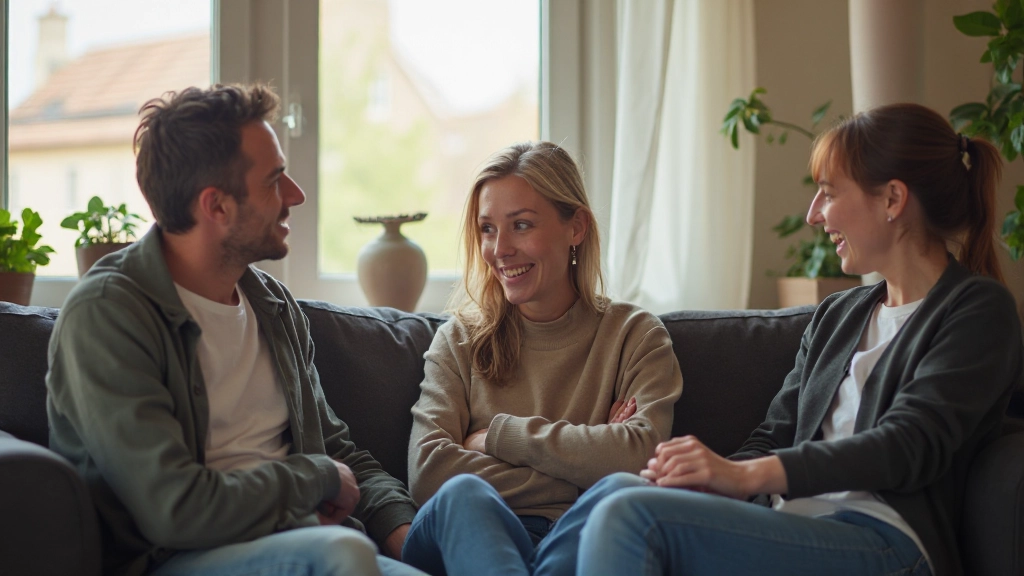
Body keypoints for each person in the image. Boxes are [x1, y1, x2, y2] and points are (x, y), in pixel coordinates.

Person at [570, 102, 1024, 576]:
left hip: (885, 542)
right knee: (618, 490)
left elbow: (907, 444)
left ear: (892, 199)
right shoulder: (838, 315)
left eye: (828, 193)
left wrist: (742, 475)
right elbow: (774, 433)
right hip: (792, 524)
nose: (813, 214)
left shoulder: (976, 311)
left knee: (630, 516)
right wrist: (710, 484)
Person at [45, 84, 425, 576]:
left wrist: (404, 533)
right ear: (217, 206)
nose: (296, 196)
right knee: (344, 557)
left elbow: (335, 450)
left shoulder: (271, 304)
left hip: (308, 543)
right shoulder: (107, 316)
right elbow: (174, 510)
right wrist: (313, 478)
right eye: (274, 181)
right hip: (178, 558)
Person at [400, 141, 684, 576]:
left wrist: (498, 436)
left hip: (576, 532)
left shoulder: (634, 336)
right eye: (488, 229)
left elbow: (641, 458)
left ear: (577, 228)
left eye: (522, 225)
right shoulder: (457, 340)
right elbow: (430, 472)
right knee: (463, 495)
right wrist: (587, 462)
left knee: (617, 494)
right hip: (470, 530)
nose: (499, 249)